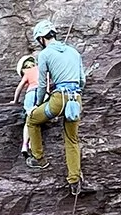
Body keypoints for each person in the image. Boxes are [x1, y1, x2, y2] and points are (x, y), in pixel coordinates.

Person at [24, 20, 84, 189]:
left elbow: (42, 84)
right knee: (72, 139)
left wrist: (38, 103)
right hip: (75, 100)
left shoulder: (45, 54)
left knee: (33, 120)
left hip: (58, 100)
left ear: (41, 38)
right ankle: (74, 180)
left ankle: (39, 158)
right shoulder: (74, 52)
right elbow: (82, 80)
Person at [9, 53, 39, 160]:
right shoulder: (40, 69)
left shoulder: (27, 74)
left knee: (29, 120)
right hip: (41, 93)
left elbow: (19, 87)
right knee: (38, 118)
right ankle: (31, 143)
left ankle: (25, 144)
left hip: (30, 94)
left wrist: (15, 100)